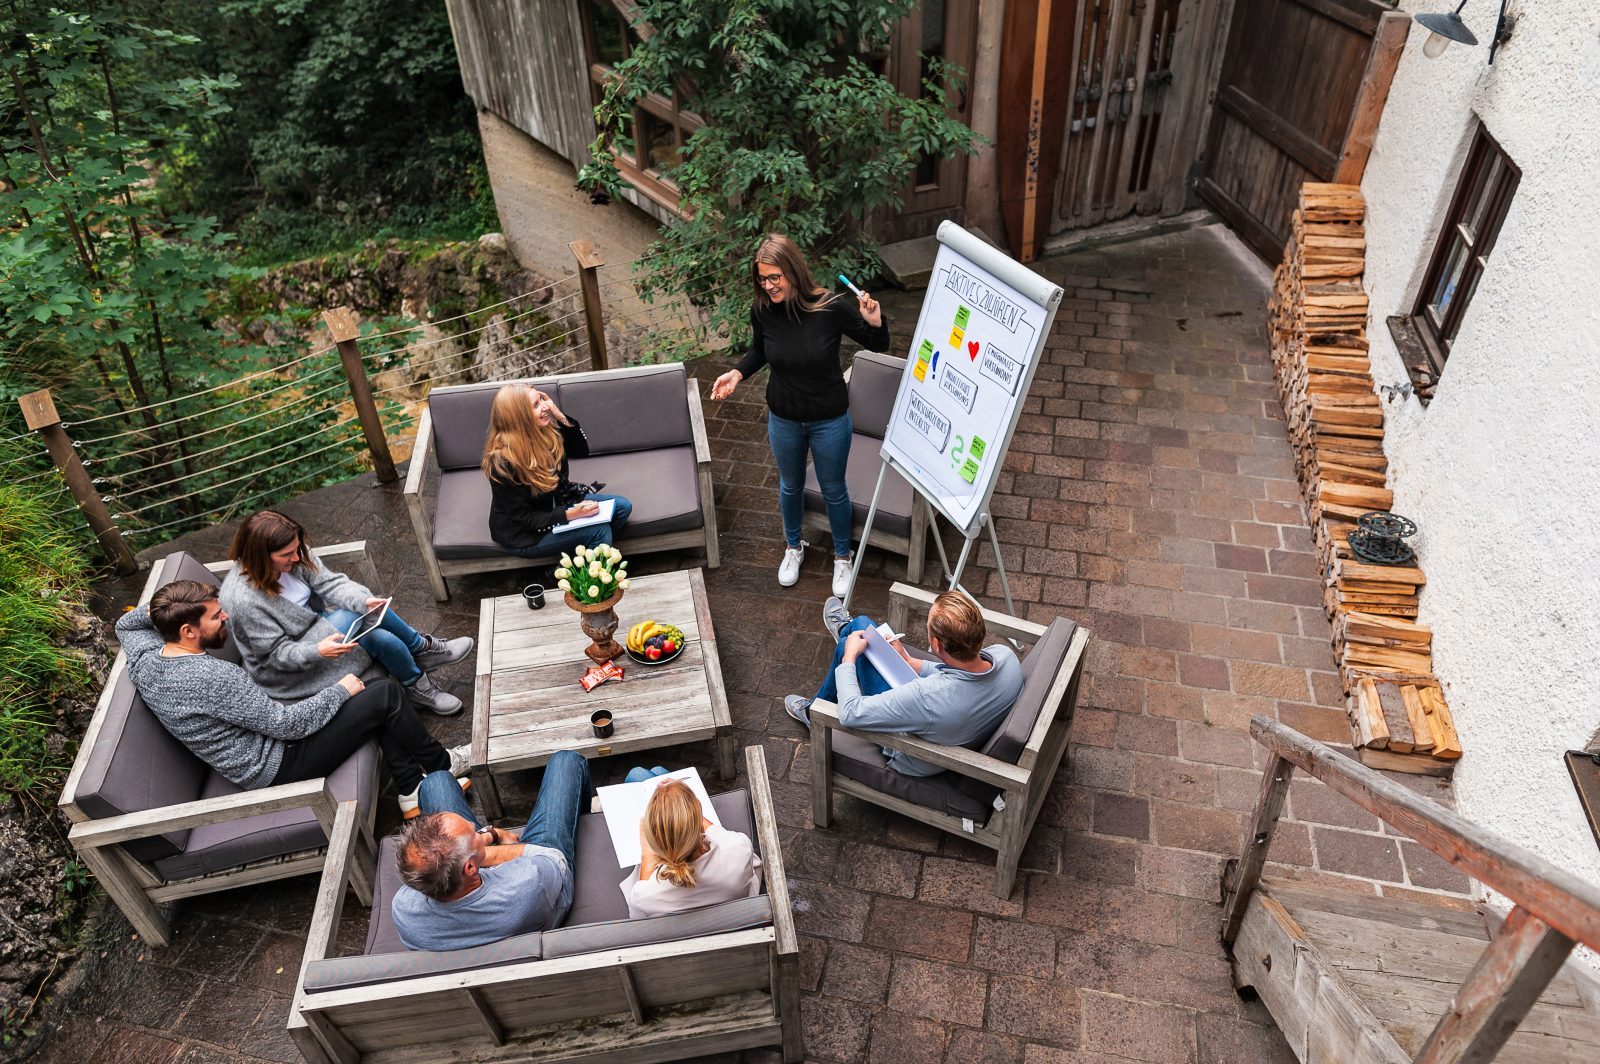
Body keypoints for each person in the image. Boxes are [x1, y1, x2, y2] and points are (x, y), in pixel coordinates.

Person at [116, 580, 470, 817]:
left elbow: (125, 625)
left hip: (259, 745)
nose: (225, 616)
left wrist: (171, 605)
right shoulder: (212, 677)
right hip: (277, 764)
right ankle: (442, 765)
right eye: (215, 616)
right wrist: (340, 689)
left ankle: (410, 789)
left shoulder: (146, 658)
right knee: (385, 694)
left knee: (367, 704)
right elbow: (286, 725)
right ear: (188, 631)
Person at [708, 234, 889, 596]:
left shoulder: (831, 307)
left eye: (775, 277)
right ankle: (794, 547)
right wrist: (737, 373)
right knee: (789, 484)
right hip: (784, 417)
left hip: (829, 419)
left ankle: (842, 556)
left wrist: (875, 320)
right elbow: (760, 350)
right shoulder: (762, 310)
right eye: (762, 278)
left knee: (834, 489)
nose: (768, 285)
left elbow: (879, 345)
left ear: (792, 271)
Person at [219, 510, 473, 716]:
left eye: (298, 549)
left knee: (377, 631)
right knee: (355, 615)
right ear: (259, 557)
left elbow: (331, 583)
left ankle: (416, 685)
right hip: (291, 667)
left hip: (322, 626)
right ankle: (421, 648)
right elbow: (275, 656)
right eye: (287, 554)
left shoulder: (294, 554)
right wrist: (317, 651)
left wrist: (363, 600)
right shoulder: (243, 600)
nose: (296, 557)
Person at [784, 591, 1023, 777]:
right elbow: (962, 672)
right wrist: (909, 661)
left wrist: (848, 658)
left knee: (847, 647)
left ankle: (814, 712)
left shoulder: (926, 695)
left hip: (911, 751)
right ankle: (849, 630)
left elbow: (850, 713)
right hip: (948, 717)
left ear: (937, 645)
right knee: (863, 625)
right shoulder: (1006, 657)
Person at [391, 751, 591, 950]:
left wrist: (486, 838)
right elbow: (553, 858)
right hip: (539, 873)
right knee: (566, 761)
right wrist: (494, 839)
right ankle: (591, 823)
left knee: (435, 781)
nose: (476, 827)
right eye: (474, 833)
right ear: (470, 868)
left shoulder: (404, 909)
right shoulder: (531, 882)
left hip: (472, 879)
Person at [481, 383, 633, 560]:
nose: (545, 407)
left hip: (557, 501)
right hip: (525, 533)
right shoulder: (502, 461)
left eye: (542, 400)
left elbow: (581, 451)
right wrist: (572, 514)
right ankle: (580, 575)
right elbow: (525, 519)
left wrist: (559, 415)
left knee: (622, 507)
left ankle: (570, 564)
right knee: (600, 531)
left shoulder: (544, 431)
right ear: (519, 417)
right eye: (536, 405)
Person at [625, 776, 762, 919]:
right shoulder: (739, 852)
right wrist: (682, 805)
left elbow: (637, 917)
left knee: (637, 774)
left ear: (654, 838)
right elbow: (716, 831)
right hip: (734, 919)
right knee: (655, 773)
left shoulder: (645, 897)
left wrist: (646, 852)